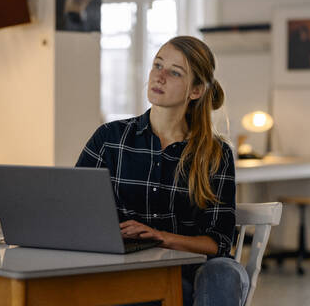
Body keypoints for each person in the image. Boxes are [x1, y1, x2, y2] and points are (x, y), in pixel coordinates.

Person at [76, 35, 249, 306]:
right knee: (161, 286)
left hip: (195, 270)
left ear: (196, 91)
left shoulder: (216, 154)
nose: (160, 76)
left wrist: (161, 238)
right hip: (129, 268)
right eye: (157, 65)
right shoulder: (110, 138)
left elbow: (218, 243)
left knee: (224, 273)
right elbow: (77, 211)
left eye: (175, 72)